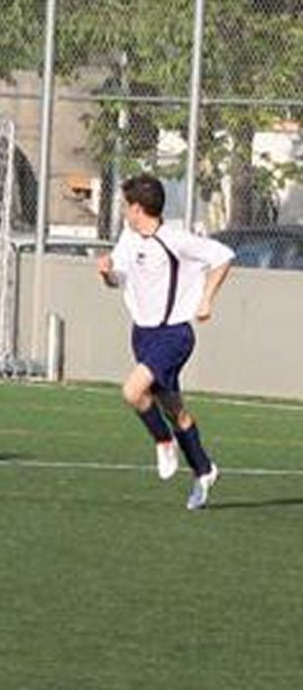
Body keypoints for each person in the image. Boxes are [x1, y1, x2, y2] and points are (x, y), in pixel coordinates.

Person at [97, 173, 234, 511]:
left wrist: (206, 299)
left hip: (174, 334)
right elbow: (116, 280)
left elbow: (223, 255)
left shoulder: (174, 239)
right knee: (175, 411)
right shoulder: (128, 237)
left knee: (133, 391)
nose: (124, 211)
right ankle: (204, 470)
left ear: (138, 208)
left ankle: (163, 441)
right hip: (142, 335)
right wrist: (106, 272)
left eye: (126, 205)